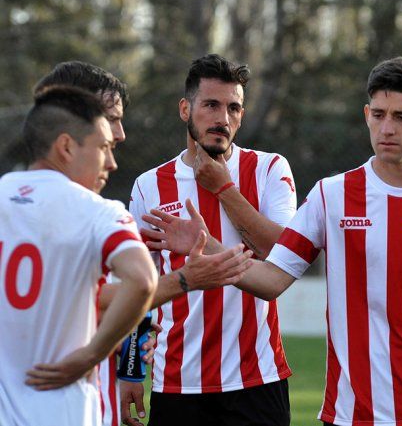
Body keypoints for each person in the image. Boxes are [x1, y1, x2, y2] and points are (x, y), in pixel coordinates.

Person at [142, 56, 402, 426]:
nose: (387, 128)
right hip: (351, 414)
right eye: (378, 115)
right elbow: (271, 280)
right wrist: (208, 245)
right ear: (366, 115)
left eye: (401, 117)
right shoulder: (332, 195)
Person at [34, 61, 254, 426]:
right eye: (109, 118)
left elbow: (105, 295)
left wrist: (128, 351)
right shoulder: (116, 205)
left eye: (233, 107)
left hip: (250, 379)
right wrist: (184, 280)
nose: (120, 133)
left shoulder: (16, 201)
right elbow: (112, 291)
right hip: (74, 399)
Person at [129, 54, 297, 426]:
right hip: (177, 383)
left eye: (233, 107)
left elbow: (283, 255)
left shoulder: (269, 169)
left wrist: (223, 189)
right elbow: (140, 285)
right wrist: (129, 369)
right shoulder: (149, 185)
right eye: (211, 105)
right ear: (185, 108)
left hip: (257, 379)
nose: (223, 118)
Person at [0, 86, 158, 426]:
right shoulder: (99, 212)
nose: (111, 162)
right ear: (67, 147)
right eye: (103, 147)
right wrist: (91, 355)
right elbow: (143, 280)